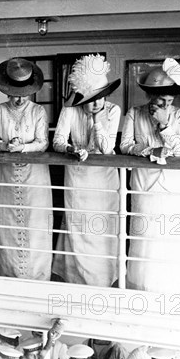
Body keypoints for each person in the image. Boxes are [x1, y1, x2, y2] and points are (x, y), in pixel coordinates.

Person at [119, 58, 180, 297]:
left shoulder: (179, 115)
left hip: (174, 185)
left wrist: (164, 124)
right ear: (150, 95)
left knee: (174, 237)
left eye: (169, 100)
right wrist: (147, 150)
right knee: (147, 236)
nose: (166, 103)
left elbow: (178, 149)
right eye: (161, 100)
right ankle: (144, 290)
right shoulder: (134, 113)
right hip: (144, 183)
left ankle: (175, 290)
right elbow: (126, 145)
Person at [52, 54, 121, 287]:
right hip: (78, 177)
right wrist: (70, 149)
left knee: (103, 228)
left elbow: (107, 147)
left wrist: (98, 120)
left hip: (104, 179)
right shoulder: (69, 110)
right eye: (90, 99)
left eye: (100, 97)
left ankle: (103, 280)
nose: (96, 103)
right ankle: (79, 279)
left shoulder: (113, 111)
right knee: (79, 227)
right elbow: (58, 141)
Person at [0, 58, 52, 280]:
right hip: (6, 173)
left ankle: (37, 276)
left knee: (36, 223)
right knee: (8, 222)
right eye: (14, 93)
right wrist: (5, 146)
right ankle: (8, 274)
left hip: (35, 176)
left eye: (23, 93)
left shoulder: (38, 111)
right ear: (6, 91)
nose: (19, 98)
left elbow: (43, 142)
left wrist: (23, 147)